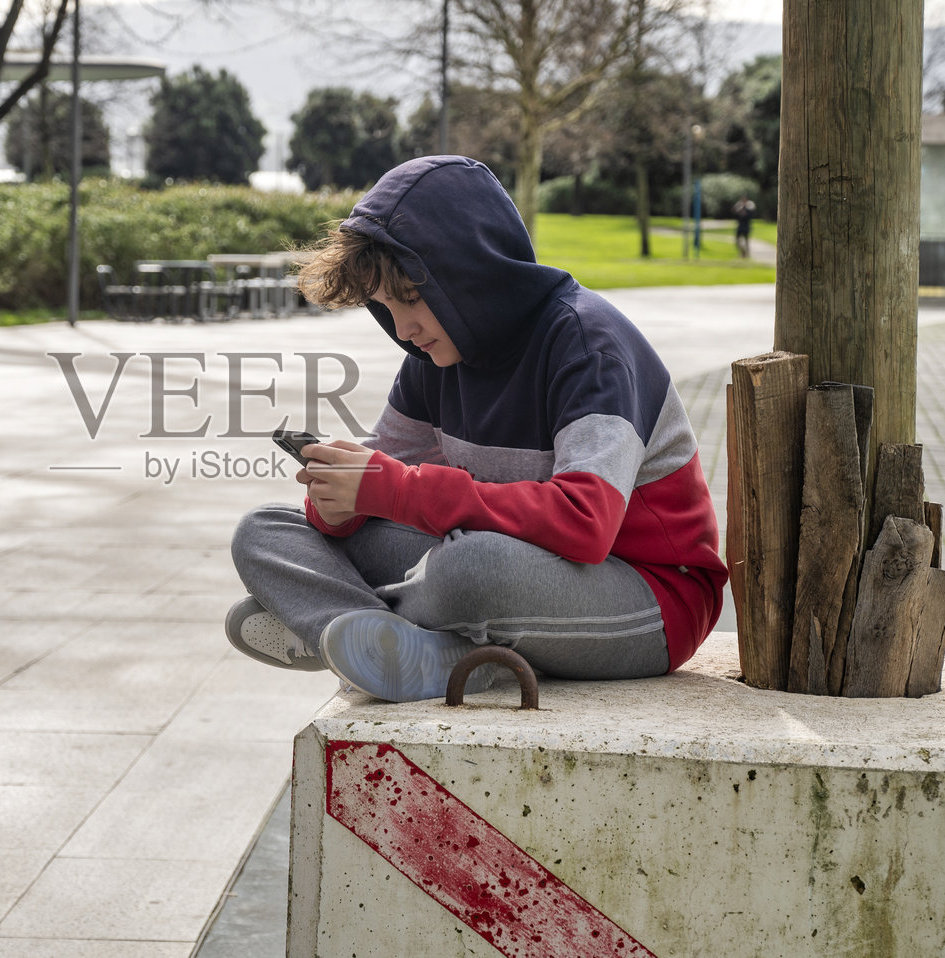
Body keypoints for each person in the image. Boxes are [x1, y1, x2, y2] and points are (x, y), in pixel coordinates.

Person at [225, 156, 727, 702]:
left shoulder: (588, 345)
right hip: (509, 570)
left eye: (412, 300)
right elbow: (382, 479)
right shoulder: (430, 357)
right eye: (384, 307)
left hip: (648, 602)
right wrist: (338, 504)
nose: (404, 328)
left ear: (472, 275)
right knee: (265, 530)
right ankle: (406, 648)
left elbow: (586, 524)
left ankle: (334, 625)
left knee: (469, 568)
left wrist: (392, 489)